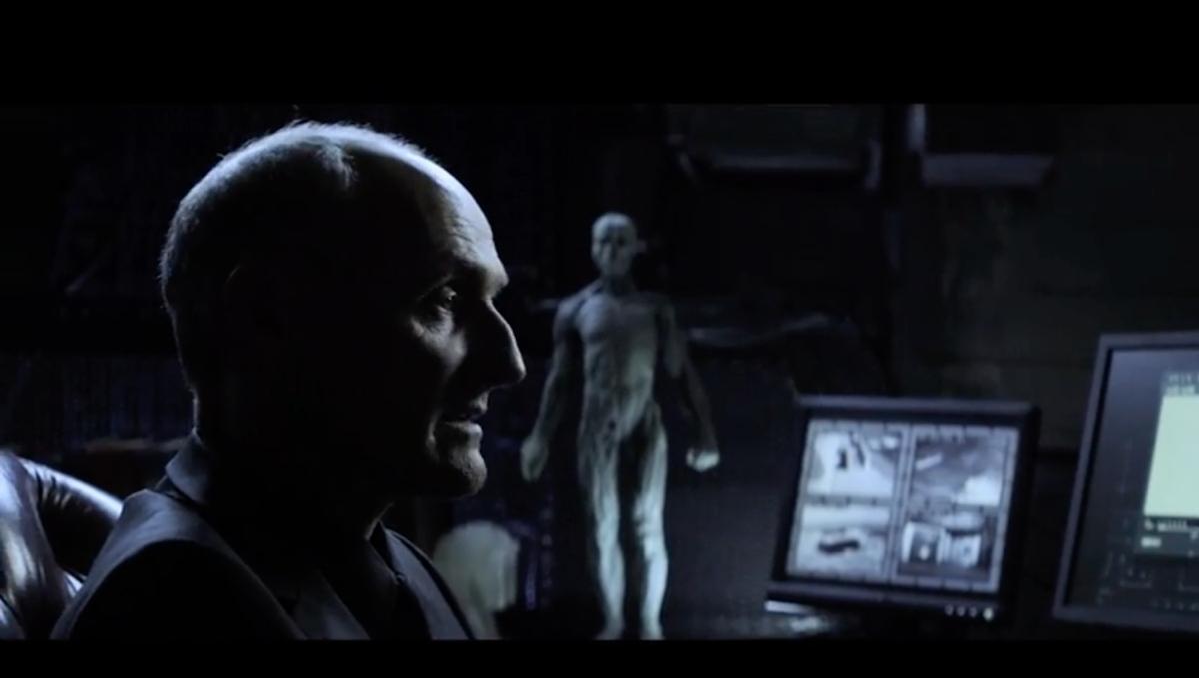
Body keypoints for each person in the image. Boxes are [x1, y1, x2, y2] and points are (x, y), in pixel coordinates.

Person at [53, 122, 526, 640]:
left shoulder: (396, 567)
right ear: (265, 315)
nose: (509, 363)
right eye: (444, 299)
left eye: (492, 301)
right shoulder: (170, 602)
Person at [519, 213, 718, 640]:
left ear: (635, 248)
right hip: (598, 422)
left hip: (643, 419)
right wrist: (539, 436)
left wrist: (705, 432)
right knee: (602, 525)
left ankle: (649, 624)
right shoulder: (576, 309)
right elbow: (559, 380)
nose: (612, 250)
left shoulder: (654, 308)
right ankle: (612, 620)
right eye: (604, 242)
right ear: (593, 249)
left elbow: (682, 372)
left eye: (621, 241)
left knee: (647, 524)